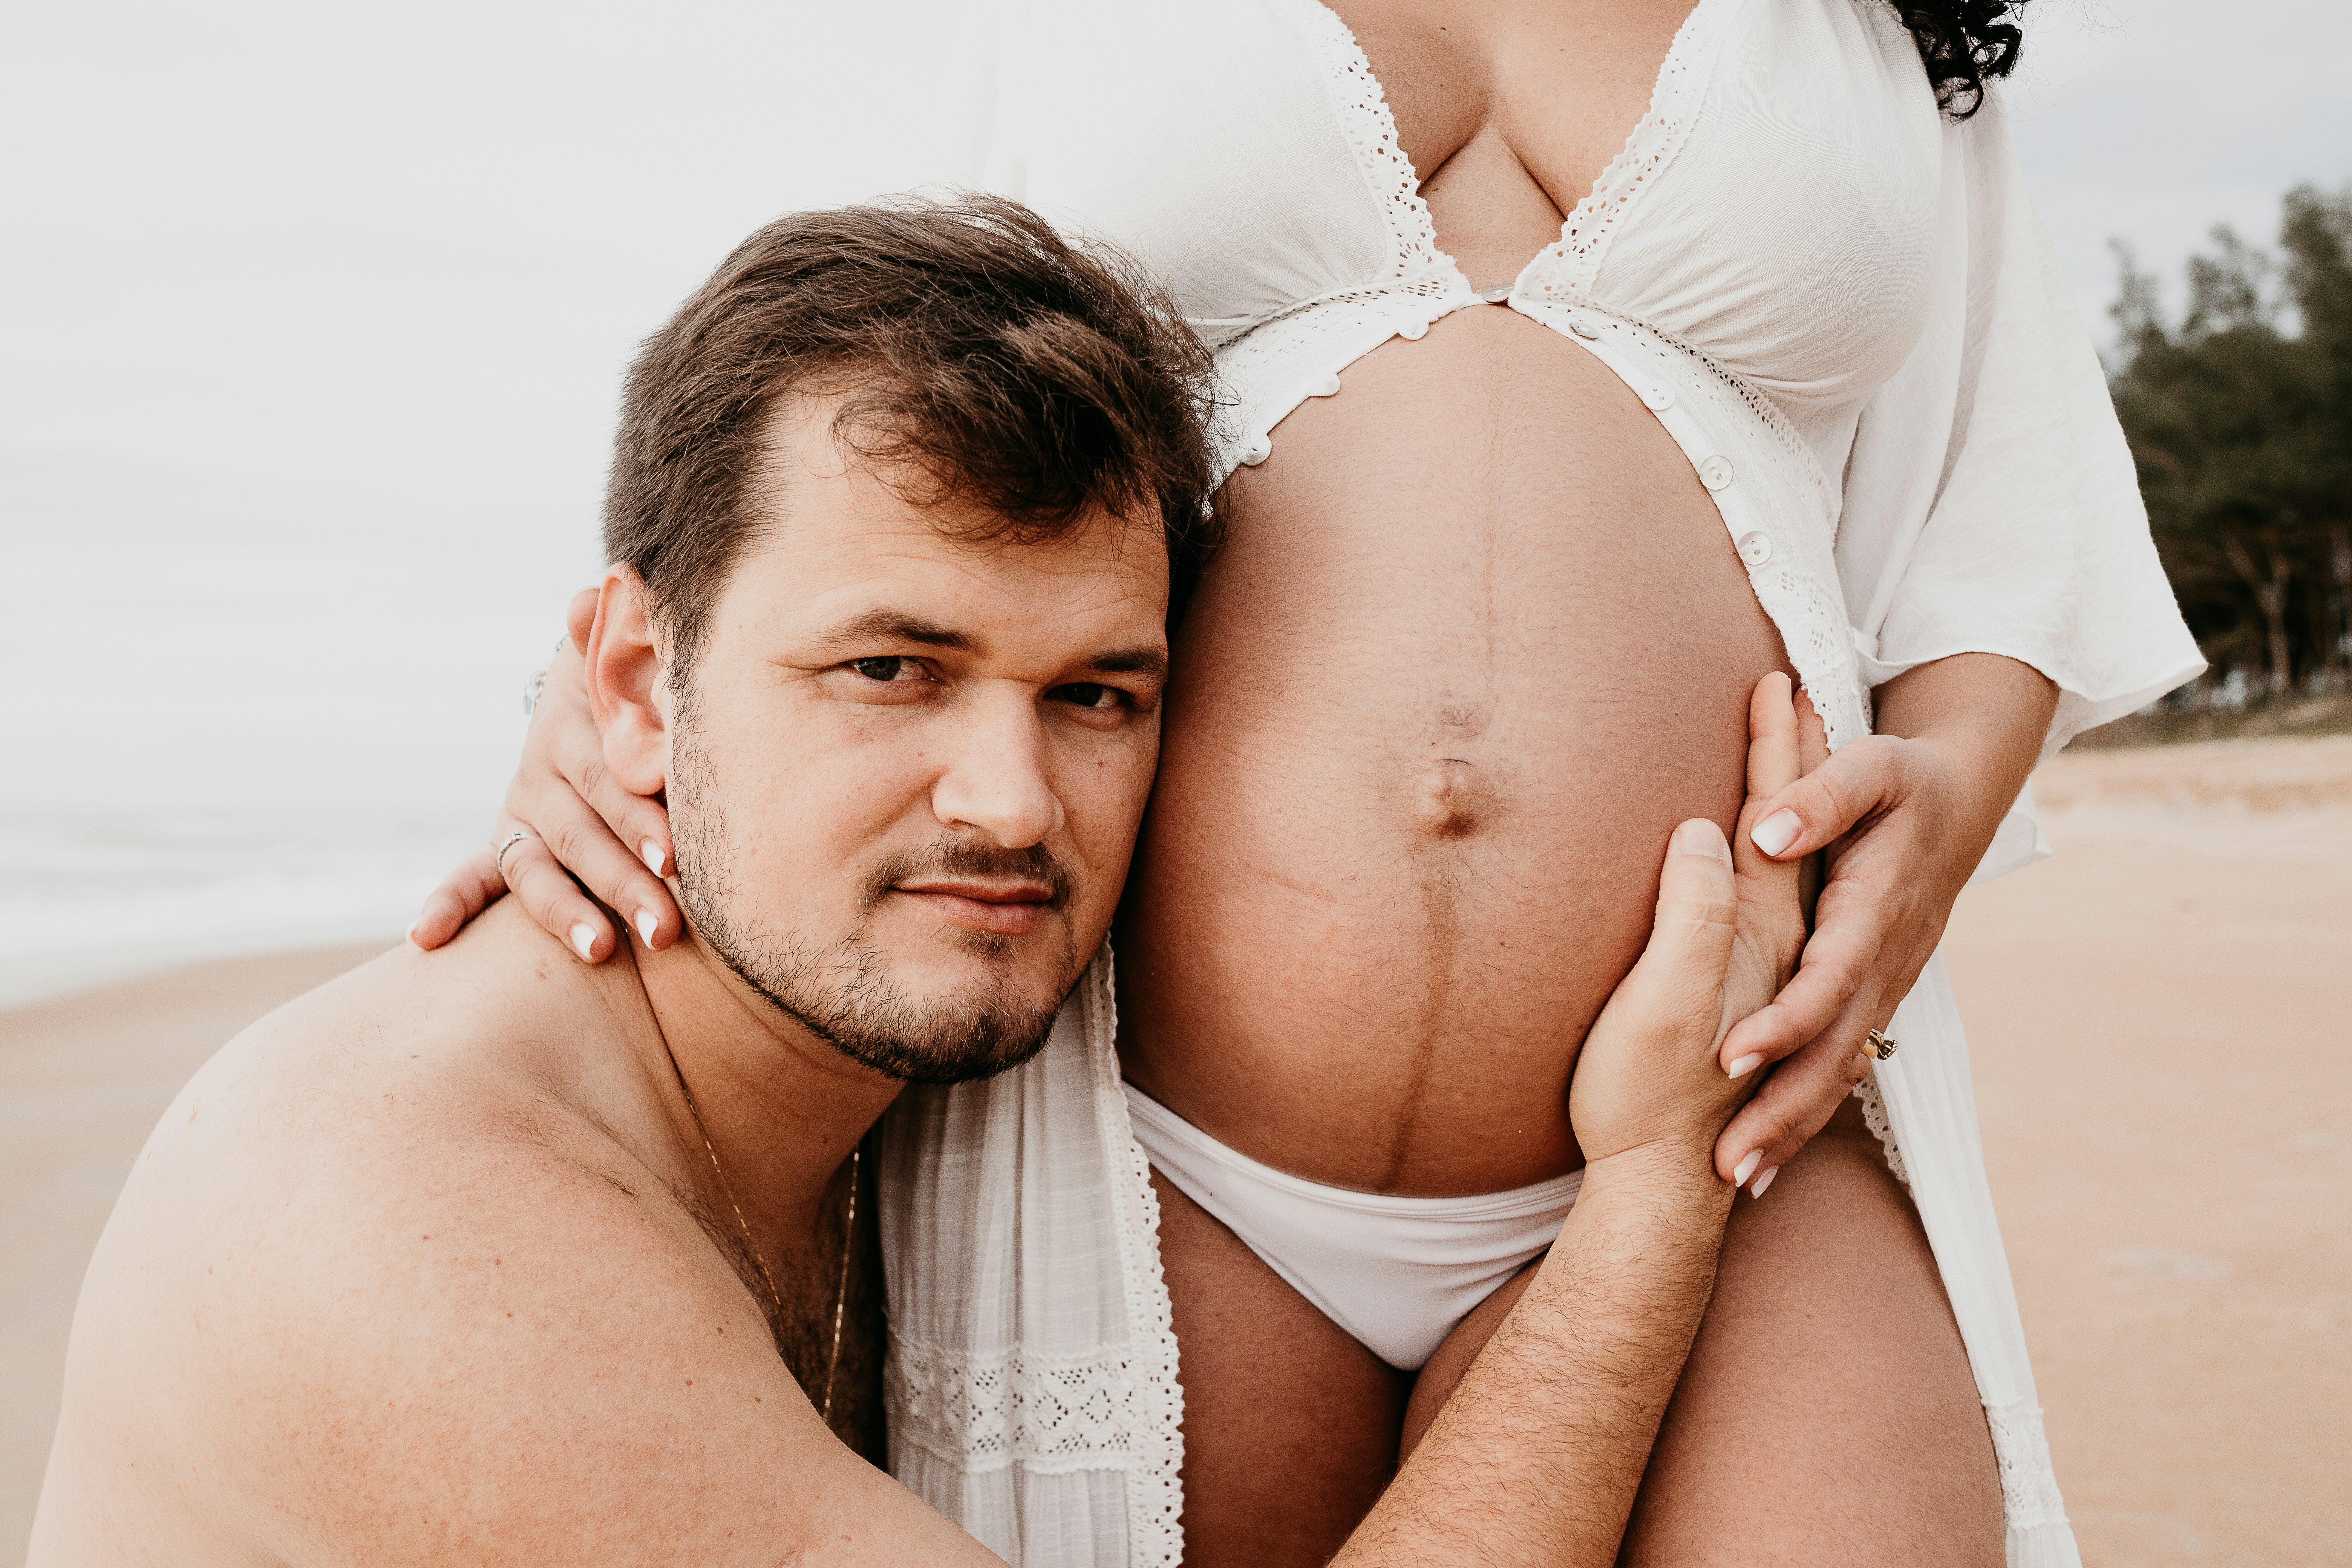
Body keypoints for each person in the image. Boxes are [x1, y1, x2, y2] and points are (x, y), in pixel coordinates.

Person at [420, 2, 2204, 1561]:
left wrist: (1948, 811)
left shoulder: (1896, 26)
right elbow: (835, 366)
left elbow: (2003, 487)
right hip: (1154, 1135)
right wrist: (615, 694)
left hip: (1741, 1099)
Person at [34, 196, 1810, 1568]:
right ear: (638, 688)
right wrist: (1651, 1196)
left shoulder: (882, 1061)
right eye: (891, 666)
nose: (1010, 802)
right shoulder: (422, 1224)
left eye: (1097, 693)